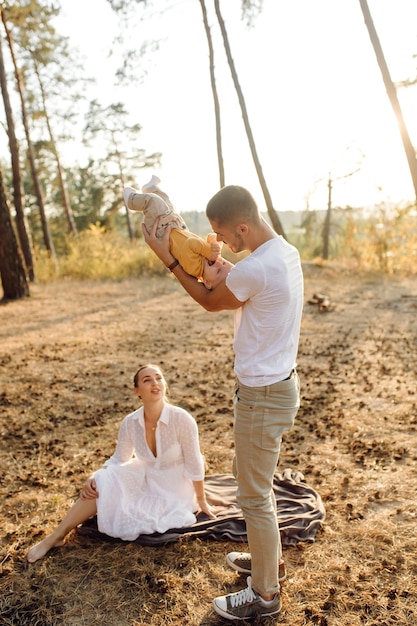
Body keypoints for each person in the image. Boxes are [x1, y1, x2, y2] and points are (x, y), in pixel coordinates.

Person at [142, 185, 304, 621]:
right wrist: (223, 265)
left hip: (261, 397)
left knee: (253, 496)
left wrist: (171, 260)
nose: (222, 243)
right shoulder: (283, 253)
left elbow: (212, 301)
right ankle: (269, 560)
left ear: (243, 226)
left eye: (224, 234)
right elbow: (240, 280)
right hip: (279, 387)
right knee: (256, 484)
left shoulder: (258, 268)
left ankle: (265, 595)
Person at [26, 364, 216, 563]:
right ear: (137, 391)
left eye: (159, 378)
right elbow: (119, 459)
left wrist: (201, 500)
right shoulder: (130, 422)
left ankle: (61, 533)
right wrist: (95, 476)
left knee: (139, 509)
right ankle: (57, 536)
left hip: (175, 487)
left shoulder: (182, 419)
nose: (155, 383)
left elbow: (195, 462)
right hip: (146, 477)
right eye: (147, 380)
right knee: (102, 481)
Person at [124, 176, 233, 289]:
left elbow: (191, 243)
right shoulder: (207, 257)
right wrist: (216, 246)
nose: (219, 263)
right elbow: (211, 236)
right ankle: (150, 188)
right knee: (165, 200)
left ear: (207, 282)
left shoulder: (195, 268)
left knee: (155, 202)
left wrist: (210, 252)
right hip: (175, 226)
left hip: (160, 231)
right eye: (224, 262)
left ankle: (131, 200)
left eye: (218, 271)